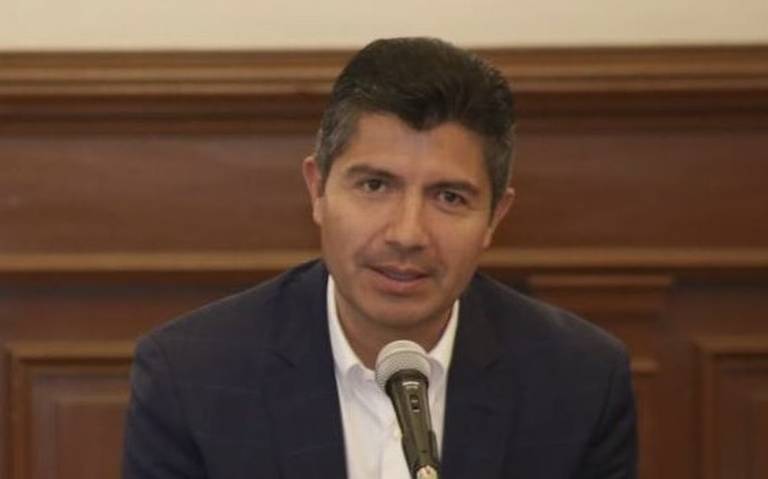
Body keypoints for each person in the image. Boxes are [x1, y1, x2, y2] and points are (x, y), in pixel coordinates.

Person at [122, 37, 637, 478]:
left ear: (494, 218)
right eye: (374, 185)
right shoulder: (191, 375)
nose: (407, 234)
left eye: (449, 197)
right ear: (317, 189)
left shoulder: (580, 382)